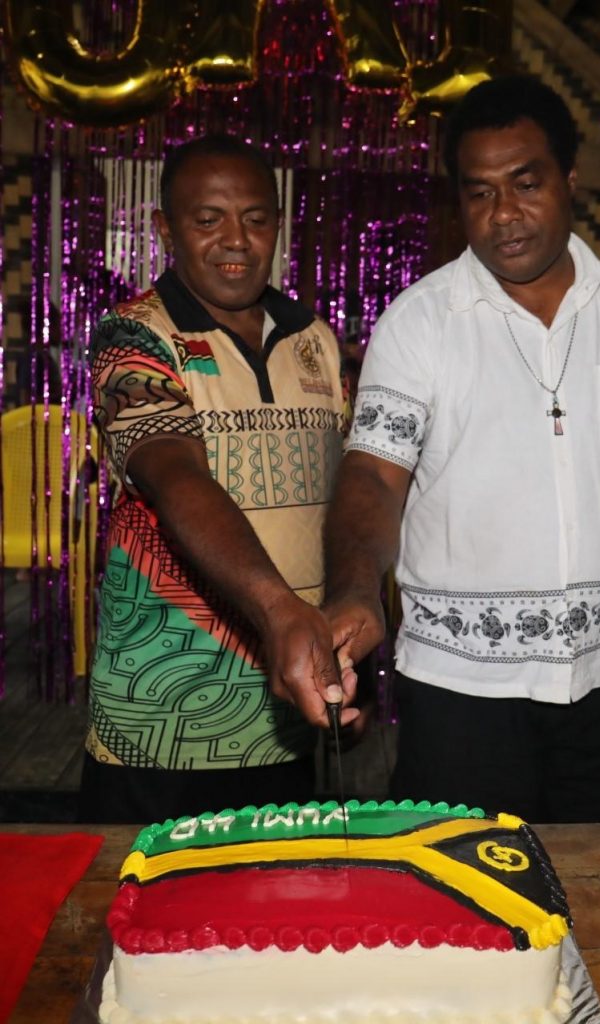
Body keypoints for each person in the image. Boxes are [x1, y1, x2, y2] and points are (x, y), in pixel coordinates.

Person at [321, 75, 600, 823]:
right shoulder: (420, 321)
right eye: (479, 193)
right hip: (461, 693)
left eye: (525, 184)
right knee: (463, 915)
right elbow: (372, 473)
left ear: (568, 180)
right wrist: (353, 588)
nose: (503, 215)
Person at [79, 136, 353, 824]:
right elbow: (174, 476)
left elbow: (344, 500)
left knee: (272, 921)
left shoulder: (313, 337)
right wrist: (280, 610)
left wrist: (342, 640)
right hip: (158, 720)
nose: (236, 241)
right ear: (166, 230)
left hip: (285, 710)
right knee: (144, 920)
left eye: (256, 219)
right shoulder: (133, 335)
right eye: (208, 221)